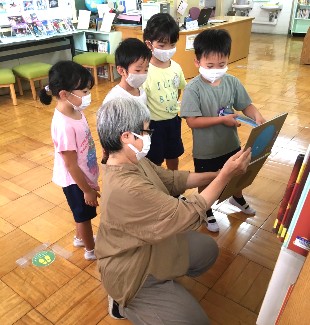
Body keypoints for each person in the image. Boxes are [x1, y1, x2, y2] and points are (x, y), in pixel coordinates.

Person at [96, 97, 252, 324]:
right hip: (131, 271)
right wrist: (226, 175)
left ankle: (163, 284)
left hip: (151, 246)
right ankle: (124, 304)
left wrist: (218, 173)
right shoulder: (126, 187)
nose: (149, 136)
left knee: (207, 250)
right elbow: (188, 213)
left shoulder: (131, 160)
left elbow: (172, 179)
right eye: (146, 131)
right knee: (195, 322)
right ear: (127, 136)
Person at [180, 29, 266, 233]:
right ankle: (206, 209)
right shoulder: (193, 89)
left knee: (236, 173)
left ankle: (237, 198)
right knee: (207, 178)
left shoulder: (232, 82)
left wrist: (257, 116)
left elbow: (246, 105)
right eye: (210, 65)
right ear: (197, 62)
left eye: (222, 64)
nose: (216, 69)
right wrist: (221, 120)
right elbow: (192, 121)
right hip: (206, 149)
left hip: (230, 143)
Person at [39, 61, 100, 260]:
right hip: (75, 181)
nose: (88, 95)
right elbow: (71, 164)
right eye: (84, 91)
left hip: (83, 177)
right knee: (84, 216)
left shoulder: (75, 111)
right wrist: (87, 190)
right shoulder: (63, 124)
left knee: (80, 213)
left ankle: (79, 238)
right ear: (64, 94)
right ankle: (91, 250)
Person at [143, 13, 186, 170]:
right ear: (149, 44)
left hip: (173, 120)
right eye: (162, 46)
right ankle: (157, 189)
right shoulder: (145, 70)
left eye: (172, 45)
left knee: (173, 156)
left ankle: (174, 188)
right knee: (155, 161)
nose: (168, 50)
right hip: (154, 125)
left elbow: (179, 89)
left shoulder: (176, 67)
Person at [102, 38, 151, 106]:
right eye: (138, 70)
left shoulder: (141, 92)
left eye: (146, 70)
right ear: (121, 70)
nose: (142, 74)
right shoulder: (114, 99)